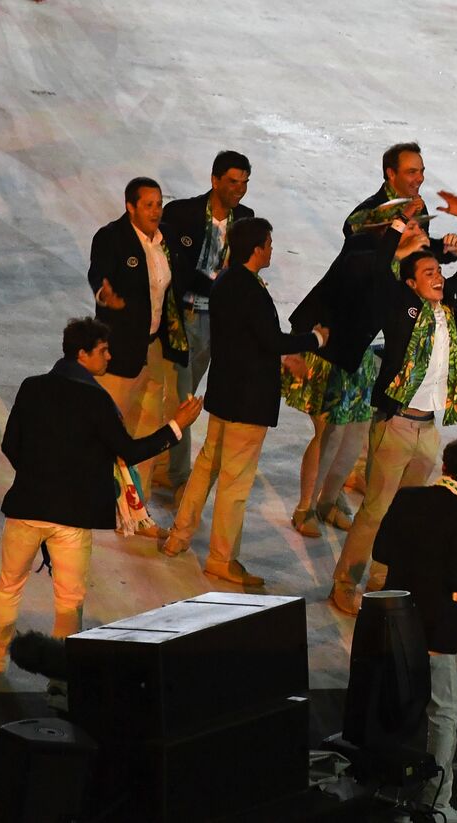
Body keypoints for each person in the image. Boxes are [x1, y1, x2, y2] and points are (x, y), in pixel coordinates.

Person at [0, 318, 202, 675]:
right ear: (82, 354)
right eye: (103, 351)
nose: (109, 357)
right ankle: (61, 676)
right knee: (69, 602)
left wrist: (37, 477)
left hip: (26, 508)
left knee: (9, 586)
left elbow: (10, 445)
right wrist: (176, 426)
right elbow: (128, 450)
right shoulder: (98, 401)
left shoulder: (32, 387)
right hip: (72, 519)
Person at [330, 193, 457, 615]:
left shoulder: (448, 304)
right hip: (396, 425)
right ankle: (345, 582)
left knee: (405, 516)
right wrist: (399, 224)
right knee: (376, 511)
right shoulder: (402, 305)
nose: (437, 276)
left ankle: (383, 586)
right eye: (428, 272)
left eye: (439, 271)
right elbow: (382, 269)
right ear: (411, 283)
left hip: (429, 429)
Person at [161, 218, 326, 585]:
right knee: (234, 485)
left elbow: (249, 338)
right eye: (268, 242)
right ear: (256, 247)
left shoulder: (224, 281)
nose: (271, 249)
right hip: (248, 402)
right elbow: (270, 340)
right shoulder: (250, 289)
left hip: (224, 394)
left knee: (206, 467)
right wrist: (313, 340)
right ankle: (221, 558)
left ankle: (178, 536)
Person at [371, 438, 457, 823]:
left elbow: (381, 552)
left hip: (395, 619)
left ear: (445, 462)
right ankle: (435, 804)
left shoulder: (407, 498)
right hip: (435, 631)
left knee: (389, 706)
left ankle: (379, 789)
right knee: (443, 715)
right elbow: (453, 577)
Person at [284, 202, 432, 540]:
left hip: (362, 358)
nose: (419, 233)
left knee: (355, 434)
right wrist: (294, 350)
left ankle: (329, 500)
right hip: (327, 351)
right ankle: (304, 506)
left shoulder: (401, 261)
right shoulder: (360, 250)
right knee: (329, 434)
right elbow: (364, 274)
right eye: (411, 227)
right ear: (386, 229)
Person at [86, 177, 189, 512]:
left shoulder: (167, 238)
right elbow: (97, 275)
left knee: (149, 422)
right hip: (118, 351)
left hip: (153, 347)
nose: (156, 211)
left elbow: (182, 278)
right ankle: (91, 495)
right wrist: (105, 295)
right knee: (106, 427)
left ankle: (134, 506)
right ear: (130, 206)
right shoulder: (111, 237)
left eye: (159, 204)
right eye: (148, 205)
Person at [160, 151, 254, 496]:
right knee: (184, 396)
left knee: (187, 392)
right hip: (181, 316)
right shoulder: (181, 213)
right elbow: (178, 267)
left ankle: (165, 466)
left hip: (216, 319)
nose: (239, 190)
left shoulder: (245, 218)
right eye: (232, 182)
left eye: (244, 182)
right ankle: (180, 476)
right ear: (214, 180)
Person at [342, 141, 457, 263]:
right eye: (412, 172)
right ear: (391, 174)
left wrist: (450, 250)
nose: (420, 178)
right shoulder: (371, 208)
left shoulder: (417, 207)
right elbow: (351, 231)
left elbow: (418, 252)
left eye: (421, 171)